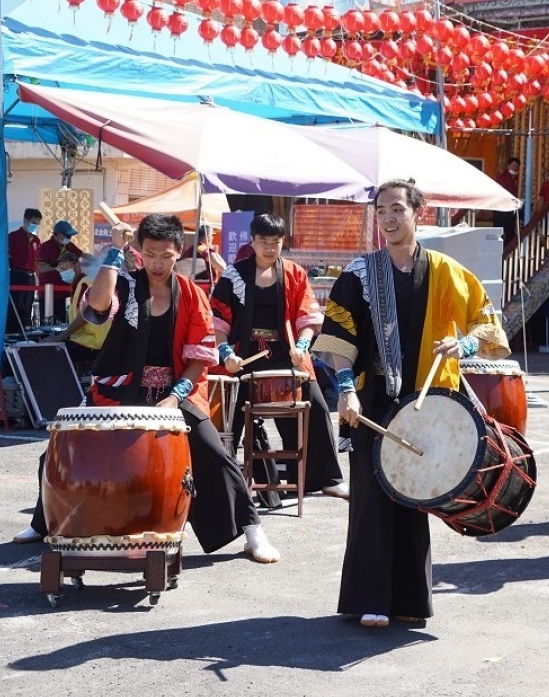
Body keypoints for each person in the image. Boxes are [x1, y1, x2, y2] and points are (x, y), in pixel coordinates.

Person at [13, 214, 280, 562]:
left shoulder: (190, 293)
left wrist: (175, 397)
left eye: (166, 256)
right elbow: (96, 305)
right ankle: (44, 521)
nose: (157, 263)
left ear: (179, 252)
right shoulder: (123, 283)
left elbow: (201, 356)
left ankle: (252, 531)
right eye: (150, 253)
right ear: (139, 249)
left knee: (213, 452)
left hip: (176, 390)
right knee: (63, 447)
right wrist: (114, 250)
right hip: (119, 388)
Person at [315, 179, 510, 629]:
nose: (388, 218)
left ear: (417, 213)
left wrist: (462, 344)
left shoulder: (447, 271)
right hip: (372, 400)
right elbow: (338, 339)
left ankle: (408, 600)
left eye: (397, 209)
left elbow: (488, 324)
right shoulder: (359, 273)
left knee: (412, 497)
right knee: (370, 501)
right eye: (381, 210)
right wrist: (346, 387)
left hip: (425, 404)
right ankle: (369, 599)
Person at [210, 213, 348, 503]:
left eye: (276, 242)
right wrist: (227, 354)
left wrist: (301, 346)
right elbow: (218, 322)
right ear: (253, 241)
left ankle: (326, 480)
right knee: (225, 416)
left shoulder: (295, 273)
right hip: (242, 355)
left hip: (287, 356)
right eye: (263, 242)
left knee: (319, 408)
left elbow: (307, 317)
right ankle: (218, 483)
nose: (270, 248)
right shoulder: (234, 275)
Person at [43, 251, 103, 376]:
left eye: (65, 266)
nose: (62, 270)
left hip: (93, 343)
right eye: (60, 268)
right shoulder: (78, 285)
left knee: (50, 350)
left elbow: (85, 317)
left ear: (77, 266)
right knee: (48, 342)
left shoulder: (85, 283)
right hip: (87, 340)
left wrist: (61, 336)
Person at [36, 220, 84, 323]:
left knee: (62, 323)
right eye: (67, 235)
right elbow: (40, 268)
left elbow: (84, 256)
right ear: (58, 234)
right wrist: (58, 265)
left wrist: (99, 261)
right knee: (48, 324)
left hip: (64, 293)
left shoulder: (69, 246)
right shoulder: (46, 246)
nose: (69, 238)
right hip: (48, 294)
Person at [7, 208, 42, 330]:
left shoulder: (37, 241)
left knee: (28, 307)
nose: (35, 226)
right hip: (17, 275)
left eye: (38, 223)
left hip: (31, 277)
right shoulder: (13, 237)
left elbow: (38, 263)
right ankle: (12, 333)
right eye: (33, 222)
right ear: (25, 220)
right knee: (15, 307)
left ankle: (26, 333)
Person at [493, 157, 521, 251]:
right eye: (513, 165)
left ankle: (507, 251)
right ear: (509, 166)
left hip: (510, 209)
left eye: (517, 166)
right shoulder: (503, 177)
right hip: (501, 209)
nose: (515, 168)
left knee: (510, 232)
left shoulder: (515, 179)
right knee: (500, 231)